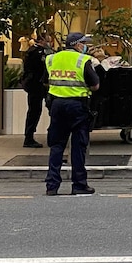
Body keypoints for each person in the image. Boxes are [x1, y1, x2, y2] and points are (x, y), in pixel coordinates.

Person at [44, 32, 100, 196]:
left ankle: (52, 186)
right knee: (78, 146)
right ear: (77, 45)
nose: (86, 46)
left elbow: (45, 80)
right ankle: (79, 185)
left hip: (56, 105)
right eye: (84, 43)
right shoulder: (82, 60)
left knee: (56, 146)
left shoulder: (52, 59)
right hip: (77, 106)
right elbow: (95, 85)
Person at [21, 33, 52, 148]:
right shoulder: (36, 52)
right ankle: (29, 137)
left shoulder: (35, 51)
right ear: (42, 40)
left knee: (44, 110)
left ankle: (31, 136)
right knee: (35, 111)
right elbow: (39, 68)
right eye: (48, 41)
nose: (50, 43)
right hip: (36, 85)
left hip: (38, 84)